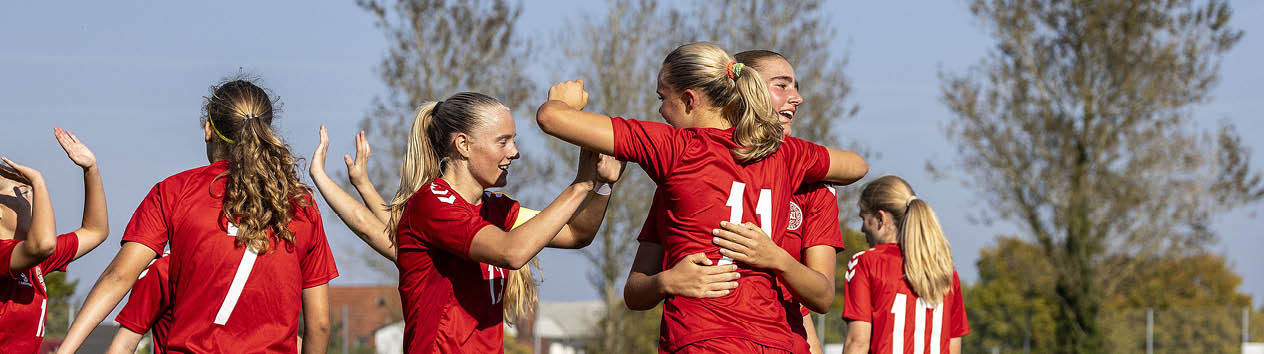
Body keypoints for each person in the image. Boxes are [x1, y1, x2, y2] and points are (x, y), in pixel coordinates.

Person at [536, 42, 868, 353]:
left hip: (702, 336)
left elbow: (550, 118)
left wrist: (564, 103)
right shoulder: (787, 153)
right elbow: (857, 166)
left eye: (663, 97)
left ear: (689, 100)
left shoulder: (676, 148)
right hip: (774, 340)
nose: (661, 110)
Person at [58, 77, 338, 354]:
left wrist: (65, 350)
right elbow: (320, 326)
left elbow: (118, 277)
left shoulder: (174, 191)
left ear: (208, 129)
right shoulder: (300, 205)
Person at [340, 92, 622, 353]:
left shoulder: (497, 208)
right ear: (463, 145)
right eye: (503, 141)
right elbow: (512, 252)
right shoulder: (433, 203)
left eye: (513, 140)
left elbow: (576, 233)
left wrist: (601, 185)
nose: (515, 152)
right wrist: (580, 186)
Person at [622, 49, 844, 354]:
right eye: (781, 86)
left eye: (796, 86)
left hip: (782, 343)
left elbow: (818, 300)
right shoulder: (686, 174)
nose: (796, 98)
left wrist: (778, 259)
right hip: (704, 339)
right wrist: (665, 282)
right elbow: (635, 291)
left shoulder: (811, 183)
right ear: (740, 88)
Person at [0, 128, 110, 354]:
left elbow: (95, 231)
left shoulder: (34, 262)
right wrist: (38, 180)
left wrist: (91, 170)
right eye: (24, 193)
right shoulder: (9, 253)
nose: (34, 198)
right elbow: (44, 244)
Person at [842, 175, 969, 354]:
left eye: (864, 218)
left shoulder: (866, 262)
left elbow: (858, 342)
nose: (862, 228)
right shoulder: (945, 272)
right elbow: (953, 348)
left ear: (880, 218)